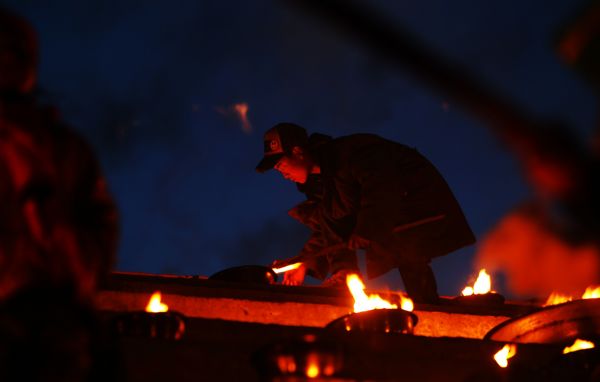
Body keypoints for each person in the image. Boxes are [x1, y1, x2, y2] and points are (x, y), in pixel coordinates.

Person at [0, 7, 119, 380]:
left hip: (57, 320)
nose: (8, 61)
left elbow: (101, 226)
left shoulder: (65, 150)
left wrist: (70, 248)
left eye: (17, 53)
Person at [256, 122, 475, 303]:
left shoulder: (353, 153)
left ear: (297, 152)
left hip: (418, 205)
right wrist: (302, 262)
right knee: (393, 247)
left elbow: (383, 188)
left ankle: (430, 309)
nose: (281, 172)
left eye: (280, 164)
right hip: (389, 217)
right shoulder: (322, 185)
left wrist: (367, 228)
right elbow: (330, 225)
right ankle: (344, 274)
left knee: (407, 253)